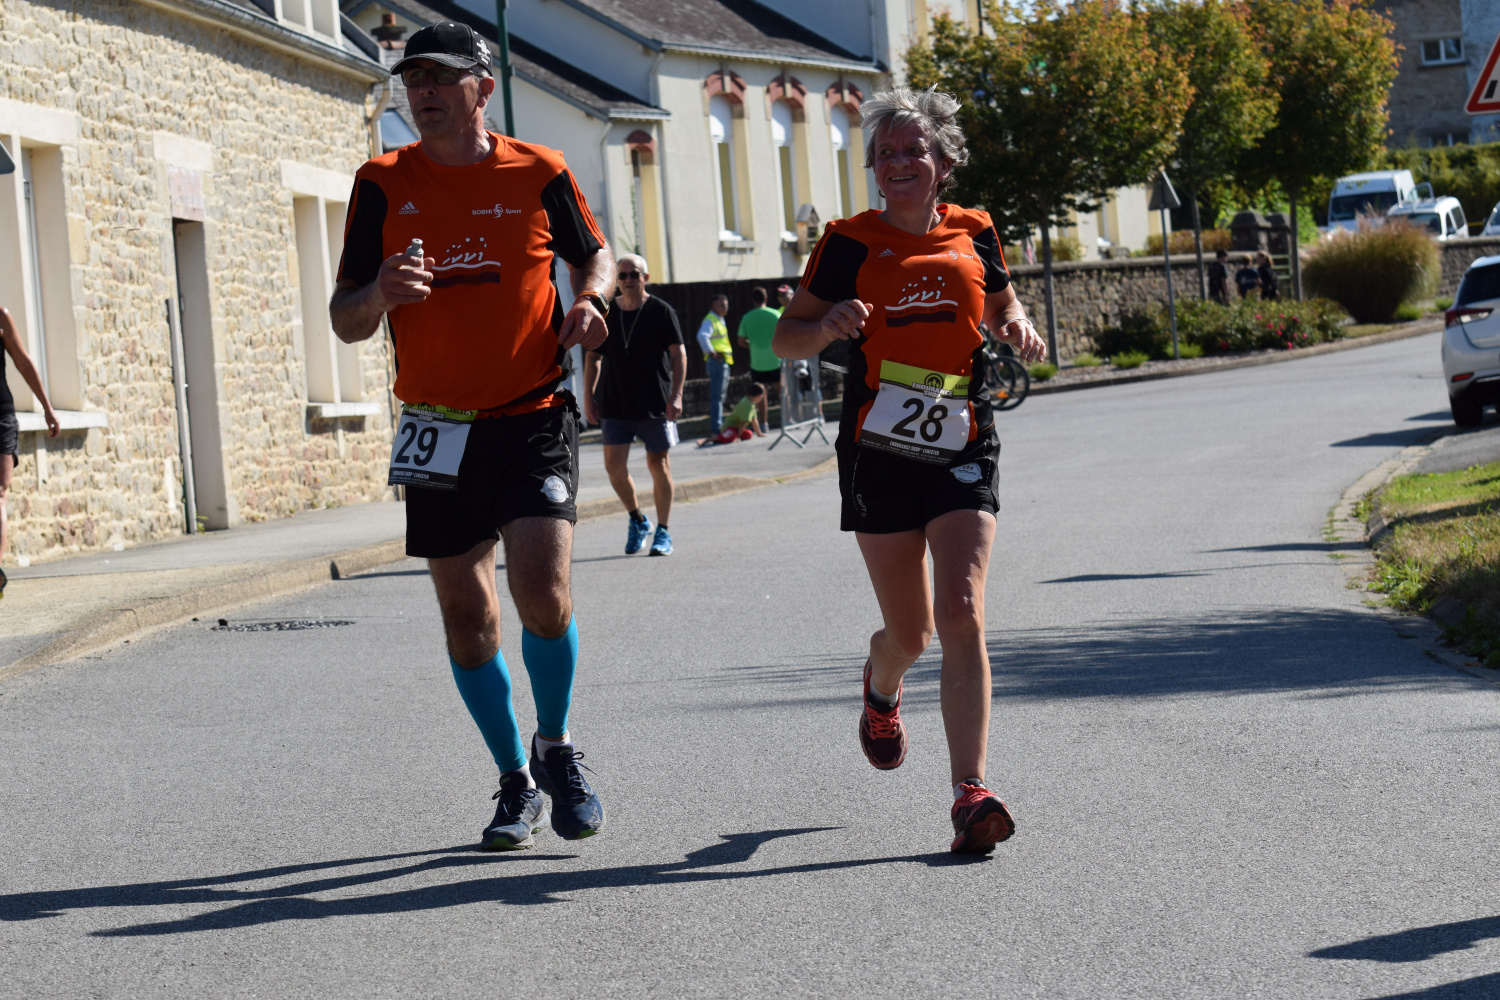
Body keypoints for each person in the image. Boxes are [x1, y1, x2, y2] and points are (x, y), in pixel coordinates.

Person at [328, 21, 614, 851]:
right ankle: (515, 779)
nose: (422, 92)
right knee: (467, 616)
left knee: (543, 593)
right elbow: (345, 318)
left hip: (532, 413)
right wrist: (378, 293)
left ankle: (556, 747)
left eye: (440, 78)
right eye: (412, 79)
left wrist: (590, 301)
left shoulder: (541, 170)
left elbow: (593, 255)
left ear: (482, 88)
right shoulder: (381, 183)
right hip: (436, 427)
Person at [773, 86, 1047, 855]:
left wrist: (1016, 323)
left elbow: (1001, 302)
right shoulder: (847, 243)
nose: (898, 162)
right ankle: (881, 685)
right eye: (885, 153)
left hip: (962, 438)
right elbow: (786, 338)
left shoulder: (975, 230)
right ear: (873, 168)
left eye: (913, 150)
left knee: (961, 611)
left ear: (943, 163)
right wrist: (825, 326)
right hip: (879, 449)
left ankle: (971, 792)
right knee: (912, 632)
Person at [582, 253, 684, 557]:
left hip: (655, 402)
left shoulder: (661, 311)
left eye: (634, 274)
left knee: (659, 465)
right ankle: (638, 519)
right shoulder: (608, 313)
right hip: (615, 403)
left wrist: (676, 395)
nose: (628, 280)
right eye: (622, 275)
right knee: (614, 468)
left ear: (645, 278)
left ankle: (663, 531)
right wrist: (588, 396)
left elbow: (679, 355)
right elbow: (593, 357)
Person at [0, 306, 61, 597]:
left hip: (1, 416)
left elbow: (23, 362)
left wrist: (47, 408)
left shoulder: (1, 316)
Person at [737, 286, 781, 430]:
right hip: (776, 359)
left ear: (753, 300)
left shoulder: (747, 317)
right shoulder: (776, 314)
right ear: (766, 298)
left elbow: (740, 341)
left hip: (757, 362)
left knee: (761, 394)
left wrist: (753, 345)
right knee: (783, 391)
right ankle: (788, 420)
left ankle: (764, 424)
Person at [696, 294, 732, 431]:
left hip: (721, 362)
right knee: (717, 397)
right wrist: (712, 353)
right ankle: (717, 429)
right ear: (713, 306)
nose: (725, 307)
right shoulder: (711, 319)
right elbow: (702, 336)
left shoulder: (719, 319)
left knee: (719, 397)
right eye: (722, 305)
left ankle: (718, 427)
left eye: (726, 305)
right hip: (717, 362)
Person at [697, 383, 767, 446]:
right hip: (730, 427)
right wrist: (738, 437)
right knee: (732, 436)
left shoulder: (751, 403)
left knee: (749, 434)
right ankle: (707, 439)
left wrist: (759, 433)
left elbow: (754, 420)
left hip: (737, 428)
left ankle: (725, 438)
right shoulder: (747, 404)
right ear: (758, 395)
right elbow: (743, 422)